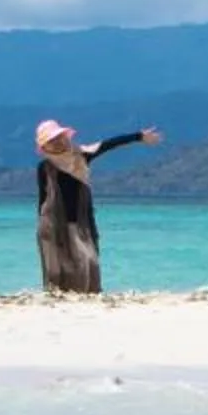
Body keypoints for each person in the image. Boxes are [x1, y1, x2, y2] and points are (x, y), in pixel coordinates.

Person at [34, 118, 163, 294]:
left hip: (81, 220)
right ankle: (59, 294)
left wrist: (138, 136)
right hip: (53, 223)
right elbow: (43, 198)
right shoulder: (44, 167)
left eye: (60, 138)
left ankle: (88, 292)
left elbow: (108, 144)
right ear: (45, 147)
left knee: (88, 259)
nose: (57, 143)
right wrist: (40, 224)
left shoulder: (82, 155)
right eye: (52, 141)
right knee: (57, 265)